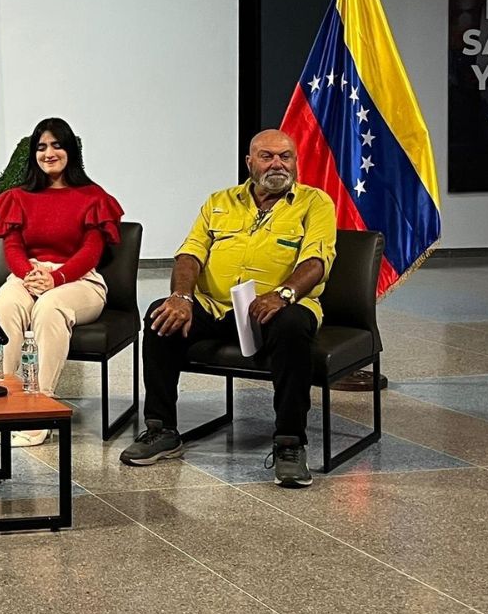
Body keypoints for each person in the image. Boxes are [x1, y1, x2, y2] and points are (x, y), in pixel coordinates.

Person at [119, 128, 338, 488]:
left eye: (286, 156)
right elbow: (190, 253)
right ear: (250, 162)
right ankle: (161, 429)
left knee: (292, 327)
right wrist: (182, 297)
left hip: (278, 307)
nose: (277, 164)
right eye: (267, 156)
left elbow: (317, 260)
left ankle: (289, 443)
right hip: (217, 306)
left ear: (296, 162)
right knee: (161, 316)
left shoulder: (315, 203)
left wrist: (283, 294)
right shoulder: (219, 201)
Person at [0, 117, 123, 446]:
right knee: (5, 305)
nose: (49, 153)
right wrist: (28, 275)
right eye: (42, 146)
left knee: (50, 307)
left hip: (79, 281)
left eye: (57, 145)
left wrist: (56, 277)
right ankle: (3, 402)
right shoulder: (18, 196)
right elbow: (13, 245)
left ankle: (38, 409)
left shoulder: (92, 196)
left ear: (70, 151)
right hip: (29, 274)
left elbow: (92, 250)